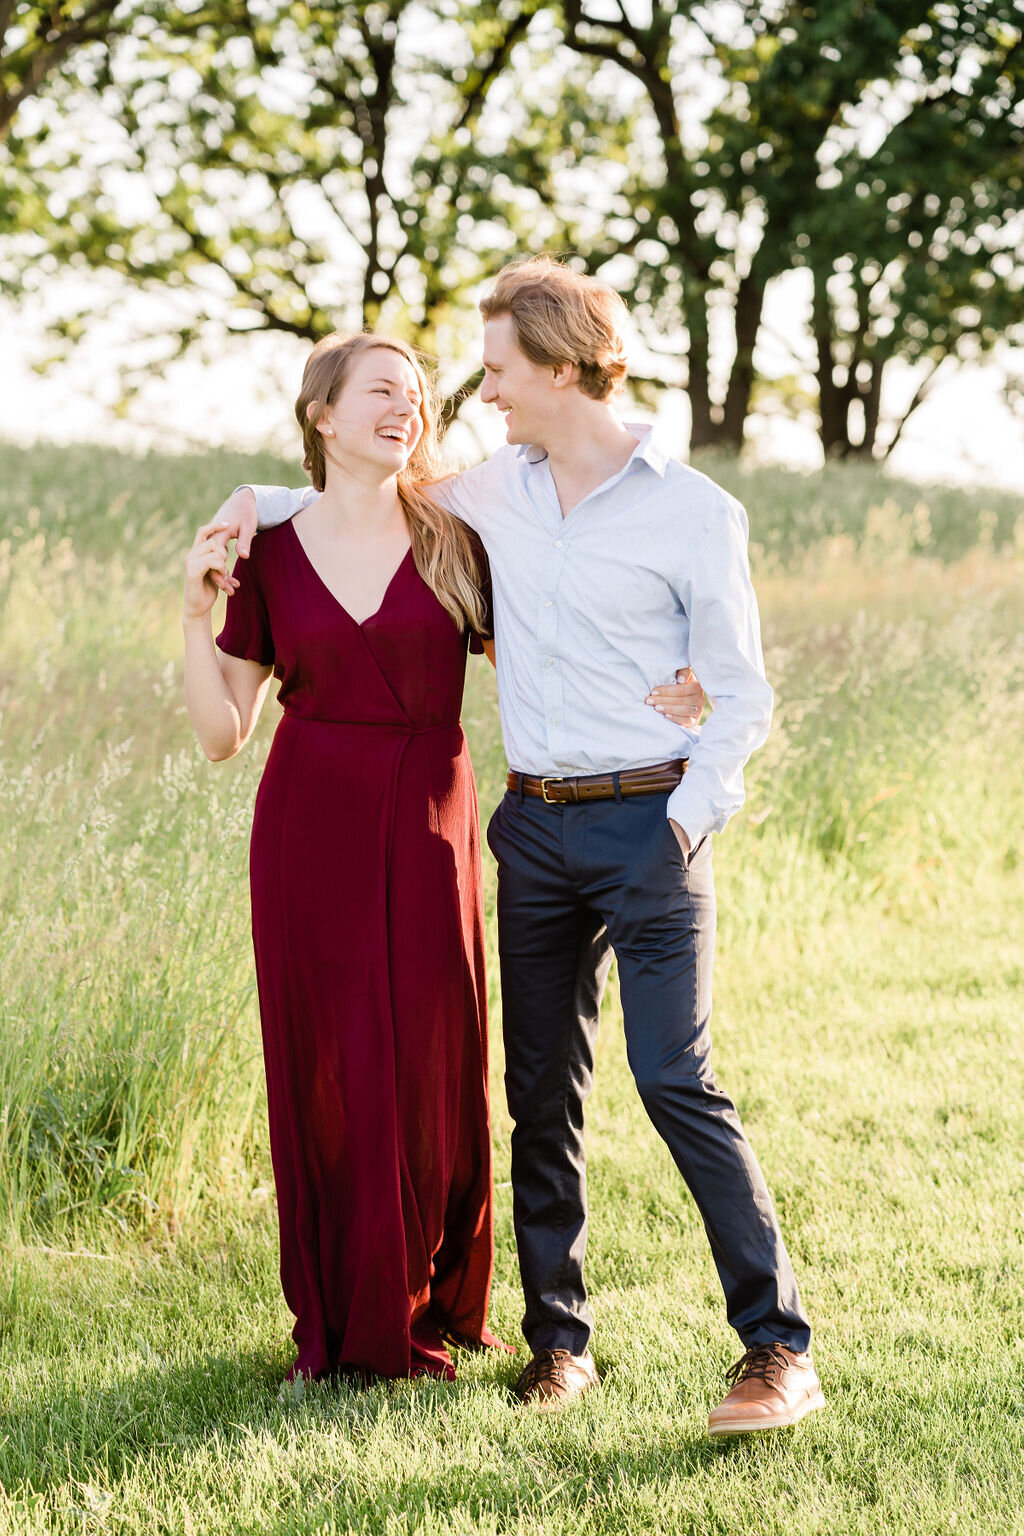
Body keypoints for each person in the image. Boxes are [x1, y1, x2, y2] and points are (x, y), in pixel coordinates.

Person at [213, 256, 820, 1437]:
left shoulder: (696, 509)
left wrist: (682, 824)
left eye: (495, 370)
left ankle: (774, 1347)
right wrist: (249, 497)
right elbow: (350, 494)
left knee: (673, 1078)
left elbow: (740, 698)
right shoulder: (491, 491)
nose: (477, 393)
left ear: (556, 365)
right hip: (531, 828)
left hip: (653, 823)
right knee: (536, 1094)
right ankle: (558, 1344)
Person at [186, 326, 703, 1387]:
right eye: (381, 389)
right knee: (325, 1059)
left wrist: (687, 679)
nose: (406, 407)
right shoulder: (267, 555)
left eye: (417, 394)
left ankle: (429, 1297)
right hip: (307, 823)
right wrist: (197, 616)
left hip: (430, 815)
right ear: (322, 413)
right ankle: (337, 1309)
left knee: (428, 1058)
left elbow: (556, 648)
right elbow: (221, 735)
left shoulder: (456, 535)